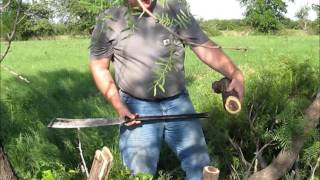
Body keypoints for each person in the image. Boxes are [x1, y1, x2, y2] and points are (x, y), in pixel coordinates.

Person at [89, 0, 244, 179]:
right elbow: (99, 67)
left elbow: (204, 47)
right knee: (140, 175)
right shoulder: (109, 19)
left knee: (200, 169)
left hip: (178, 102)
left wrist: (235, 73)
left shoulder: (175, 10)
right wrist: (119, 106)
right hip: (136, 109)